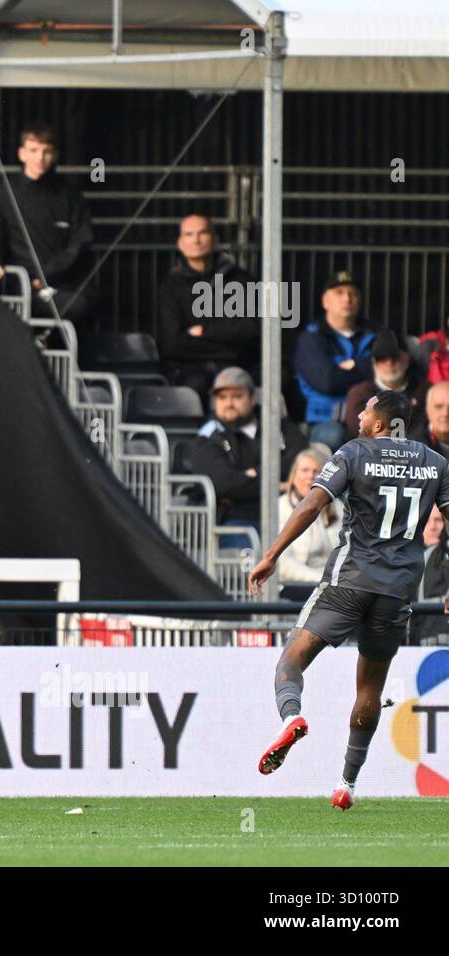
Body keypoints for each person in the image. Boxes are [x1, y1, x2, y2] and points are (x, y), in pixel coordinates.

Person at [249, 390, 449, 810]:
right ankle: (347, 783)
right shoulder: (436, 464)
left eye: (365, 409)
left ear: (380, 422)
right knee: (370, 687)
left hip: (348, 581)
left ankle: (292, 718)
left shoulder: (354, 452)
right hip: (396, 593)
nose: (358, 414)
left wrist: (272, 555)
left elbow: (311, 503)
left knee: (291, 661)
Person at [0, 123, 95, 327]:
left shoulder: (70, 195)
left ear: (55, 154)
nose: (40, 158)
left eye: (46, 151)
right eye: (33, 150)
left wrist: (47, 275)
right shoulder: (3, 194)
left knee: (82, 305)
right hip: (19, 287)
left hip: (63, 285)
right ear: (22, 154)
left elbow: (80, 243)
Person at [185, 366, 307, 543]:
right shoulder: (209, 435)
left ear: (253, 398)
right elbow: (223, 483)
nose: (229, 403)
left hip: (285, 514)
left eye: (236, 396)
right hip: (236, 518)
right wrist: (278, 485)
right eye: (222, 397)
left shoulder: (278, 425)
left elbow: (301, 460)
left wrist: (252, 474)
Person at [156, 214, 259, 393]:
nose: (196, 240)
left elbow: (251, 328)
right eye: (188, 234)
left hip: (239, 364)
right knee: (194, 387)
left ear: (215, 239)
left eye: (202, 233)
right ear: (180, 243)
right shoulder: (171, 286)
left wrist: (204, 332)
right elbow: (172, 343)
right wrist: (228, 342)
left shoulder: (240, 280)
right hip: (191, 368)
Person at [294, 271, 381, 450]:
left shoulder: (376, 335)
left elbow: (390, 372)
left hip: (370, 419)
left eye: (353, 293)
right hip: (326, 421)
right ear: (325, 301)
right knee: (334, 436)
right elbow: (328, 382)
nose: (347, 298)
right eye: (339, 292)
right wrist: (368, 367)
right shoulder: (312, 338)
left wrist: (355, 366)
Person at [276, 448, 342, 602]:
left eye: (316, 471)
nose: (310, 477)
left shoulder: (337, 507)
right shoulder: (281, 506)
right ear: (294, 475)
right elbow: (284, 566)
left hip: (333, 583)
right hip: (295, 584)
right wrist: (322, 580)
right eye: (304, 470)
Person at [342, 329, 425, 440]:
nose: (389, 363)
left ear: (408, 359)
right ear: (374, 362)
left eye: (395, 357)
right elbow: (363, 431)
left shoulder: (423, 391)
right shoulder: (359, 394)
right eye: (382, 358)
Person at [413, 507, 449, 644]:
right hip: (423, 644)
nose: (433, 527)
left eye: (438, 520)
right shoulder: (412, 561)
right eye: (427, 521)